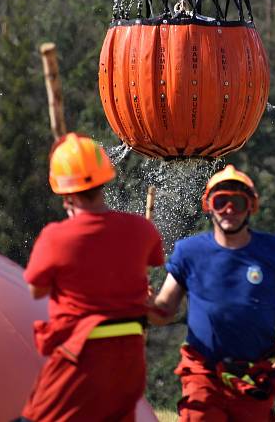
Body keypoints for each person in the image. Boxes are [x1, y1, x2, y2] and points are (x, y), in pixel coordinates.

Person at [149, 164, 275, 421]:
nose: (229, 210)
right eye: (221, 201)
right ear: (209, 206)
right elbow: (164, 310)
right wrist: (145, 303)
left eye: (237, 202)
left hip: (255, 373)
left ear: (251, 207)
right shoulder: (188, 251)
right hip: (203, 370)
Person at [19, 132, 164, 422]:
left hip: (81, 357)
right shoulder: (141, 230)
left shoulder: (56, 237)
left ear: (64, 192)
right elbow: (149, 262)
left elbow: (36, 289)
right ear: (104, 179)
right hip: (130, 360)